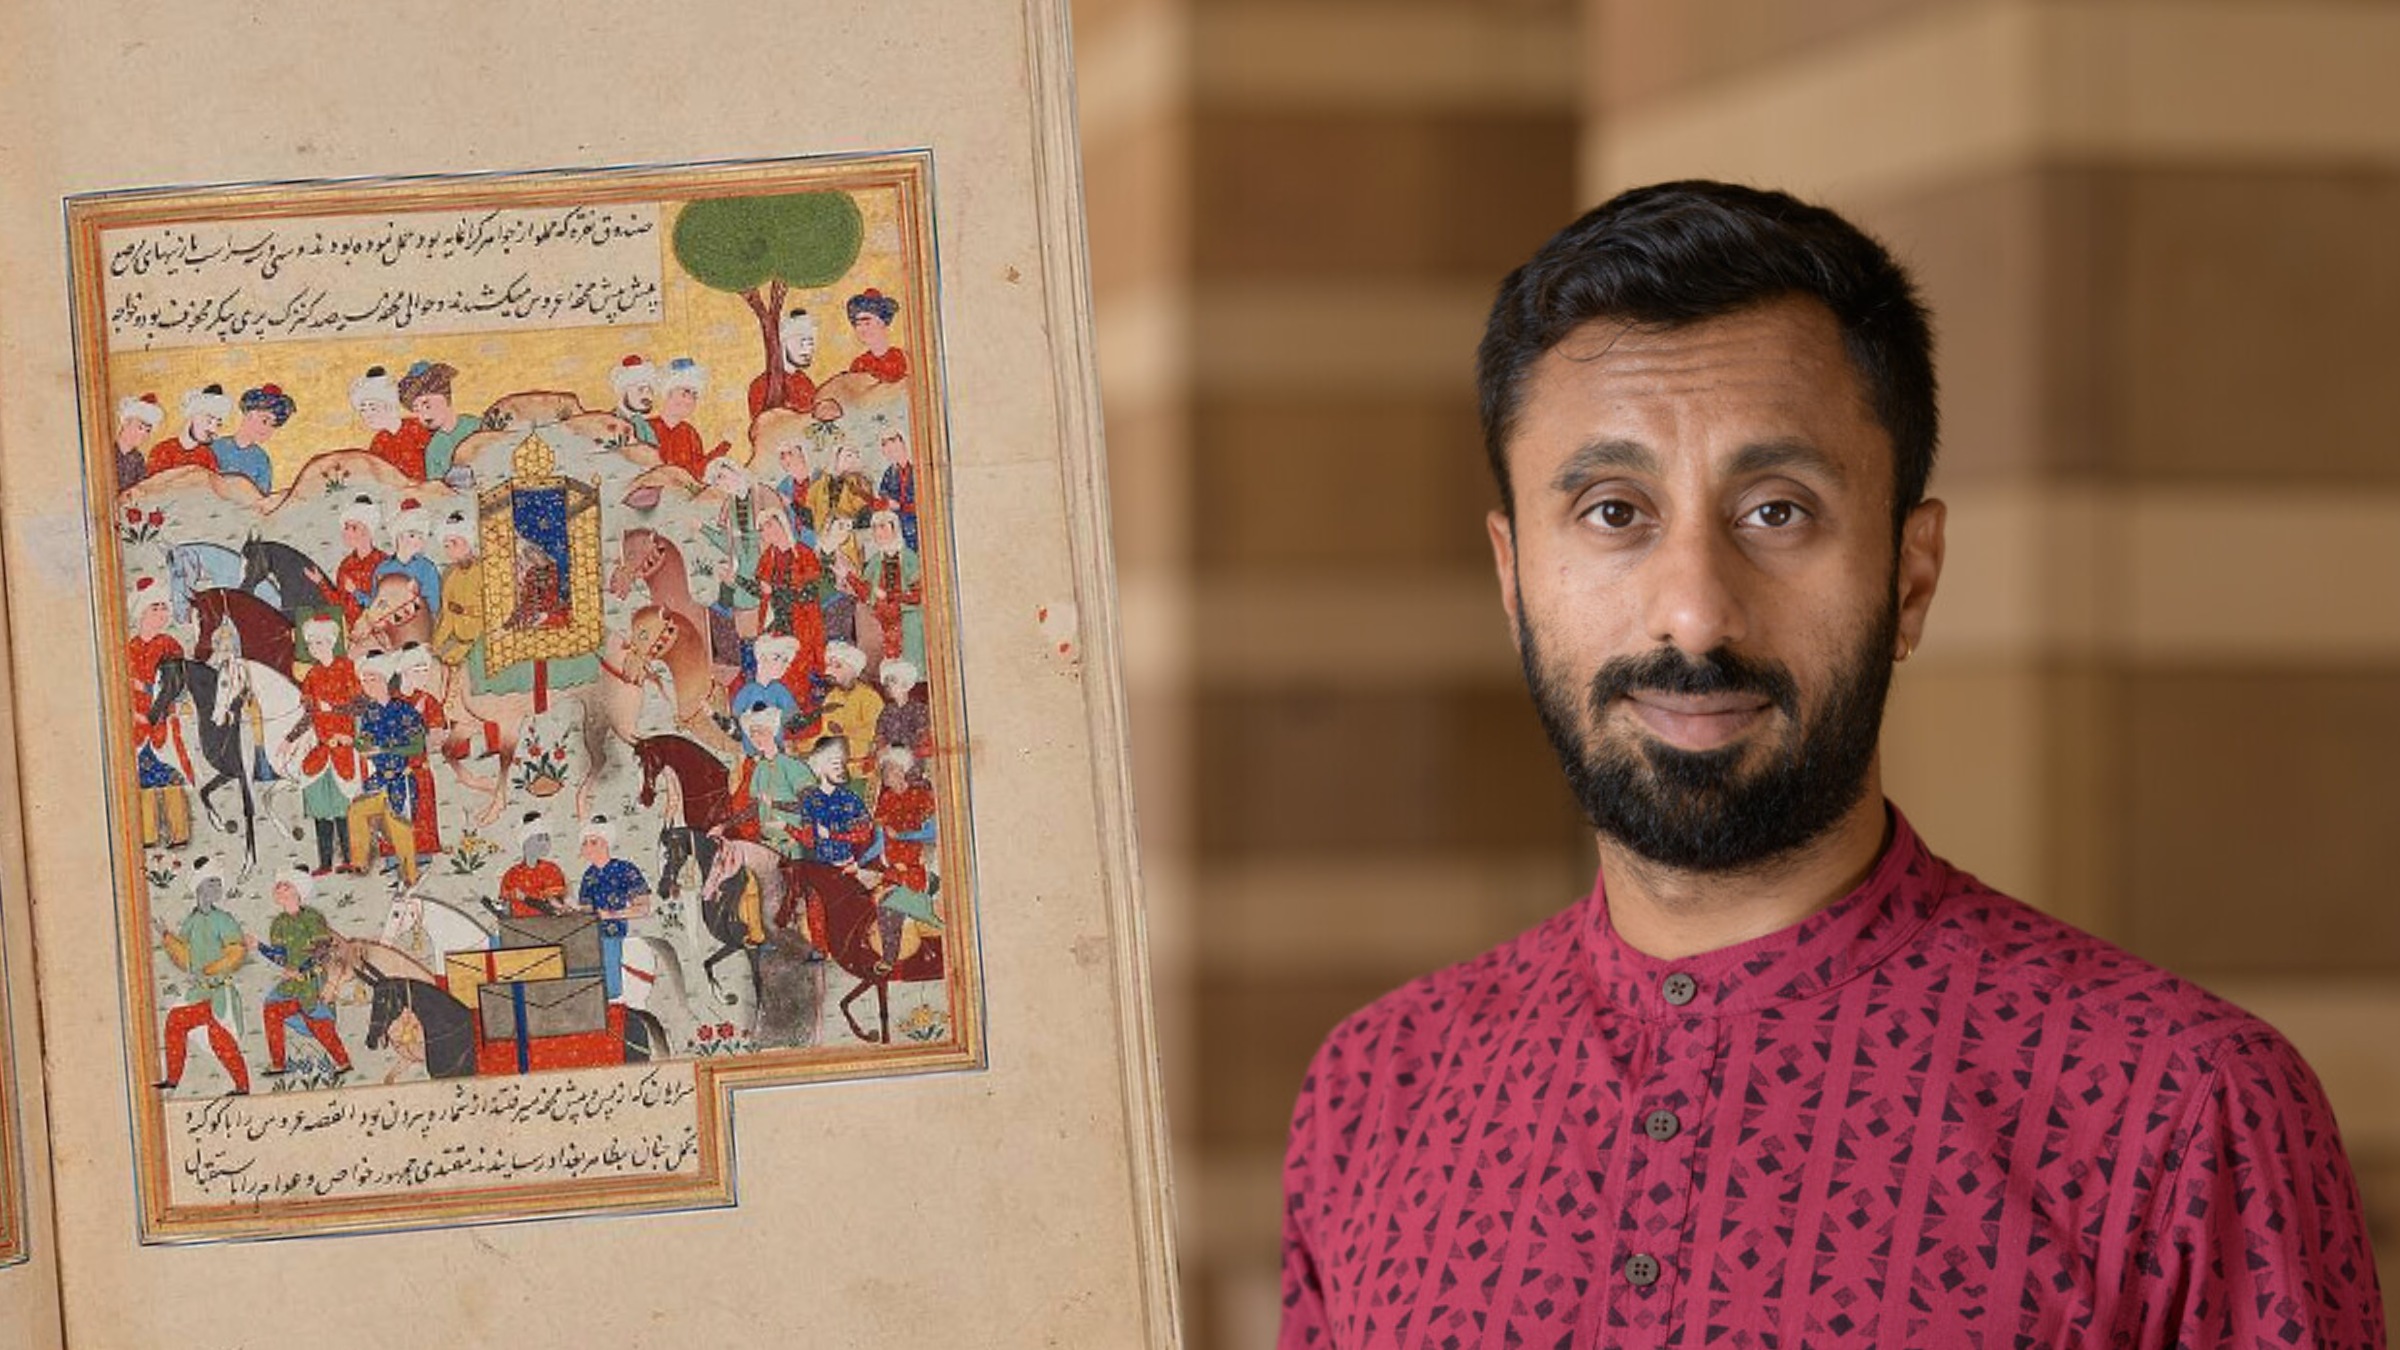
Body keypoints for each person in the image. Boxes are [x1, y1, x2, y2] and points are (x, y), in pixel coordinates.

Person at [1275, 182, 2386, 1347]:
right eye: (1612, 512)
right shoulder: (1376, 1094)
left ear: (1911, 575)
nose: (1696, 615)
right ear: (1513, 581)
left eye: (1777, 512)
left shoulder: (2182, 1112)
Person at [152, 859, 249, 1094]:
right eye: (211, 882)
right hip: (200, 993)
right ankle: (173, 1079)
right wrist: (166, 936)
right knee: (176, 1021)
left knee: (221, 1038)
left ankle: (243, 1086)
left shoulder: (223, 919)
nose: (217, 887)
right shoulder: (192, 921)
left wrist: (213, 968)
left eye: (219, 882)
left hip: (219, 992)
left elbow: (236, 951)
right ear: (198, 888)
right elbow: (186, 958)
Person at [253, 871, 353, 1081]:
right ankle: (278, 1064)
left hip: (313, 981)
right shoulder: (278, 923)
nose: (280, 889)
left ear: (298, 891)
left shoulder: (313, 917)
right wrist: (260, 947)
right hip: (292, 984)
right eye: (278, 886)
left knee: (319, 1022)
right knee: (272, 1009)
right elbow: (280, 956)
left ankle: (343, 1061)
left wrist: (301, 969)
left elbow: (322, 950)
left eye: (285, 885)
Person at [127, 577, 195, 849]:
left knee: (170, 777)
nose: (163, 613)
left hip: (161, 723)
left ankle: (179, 833)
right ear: (142, 612)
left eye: (164, 607)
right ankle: (148, 834)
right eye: (155, 607)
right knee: (142, 780)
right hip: (134, 727)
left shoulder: (169, 645)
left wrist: (152, 714)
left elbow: (172, 684)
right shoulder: (128, 647)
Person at [348, 651, 422, 886]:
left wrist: (383, 749)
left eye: (372, 678)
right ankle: (360, 861)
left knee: (400, 826)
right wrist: (363, 746)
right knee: (356, 811)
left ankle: (410, 874)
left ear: (384, 679)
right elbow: (362, 741)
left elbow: (417, 745)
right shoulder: (369, 713)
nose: (367, 684)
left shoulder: (404, 710)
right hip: (378, 780)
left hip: (400, 780)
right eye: (364, 680)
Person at [574, 816, 652, 1003]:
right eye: (585, 843)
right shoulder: (588, 876)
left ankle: (612, 997)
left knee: (610, 978)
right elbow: (586, 911)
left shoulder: (625, 869)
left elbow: (643, 908)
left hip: (615, 934)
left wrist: (612, 915)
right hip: (591, 936)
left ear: (606, 843)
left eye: (594, 842)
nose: (588, 847)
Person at [647, 357, 729, 478]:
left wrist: (723, 447)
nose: (690, 400)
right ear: (669, 394)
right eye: (685, 393)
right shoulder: (645, 427)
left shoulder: (690, 433)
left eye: (694, 396)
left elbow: (698, 472)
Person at [400, 361, 477, 481]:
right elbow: (438, 490)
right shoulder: (433, 449)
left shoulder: (477, 426)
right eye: (417, 410)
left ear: (446, 398)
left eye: (427, 405)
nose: (424, 415)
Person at [210, 384, 292, 494]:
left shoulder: (261, 459)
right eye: (264, 421)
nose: (268, 430)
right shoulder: (216, 447)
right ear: (249, 414)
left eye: (273, 426)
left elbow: (261, 498)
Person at [354, 366, 429, 479]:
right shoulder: (379, 441)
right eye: (363, 410)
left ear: (389, 406)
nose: (367, 415)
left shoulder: (417, 427)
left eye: (372, 408)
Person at [747, 307, 821, 417]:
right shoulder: (761, 385)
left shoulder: (805, 382)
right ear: (783, 342)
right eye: (801, 342)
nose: (807, 350)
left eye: (810, 343)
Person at [149, 384, 230, 477]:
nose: (213, 430)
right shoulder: (162, 451)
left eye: (218, 424)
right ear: (192, 416)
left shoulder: (208, 456)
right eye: (209, 421)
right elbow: (151, 487)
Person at [499, 813, 568, 918]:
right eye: (540, 838)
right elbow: (504, 909)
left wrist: (525, 898)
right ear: (525, 841)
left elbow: (556, 906)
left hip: (549, 928)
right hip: (517, 929)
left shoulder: (551, 870)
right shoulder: (511, 874)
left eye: (547, 838)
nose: (545, 843)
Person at [844, 288, 908, 384]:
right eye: (858, 324)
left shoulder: (901, 357)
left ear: (882, 322)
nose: (862, 329)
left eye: (867, 323)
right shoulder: (859, 364)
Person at [113, 392, 164, 490]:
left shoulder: (138, 458)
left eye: (148, 431)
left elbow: (142, 487)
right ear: (126, 422)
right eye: (140, 427)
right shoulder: (109, 453)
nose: (144, 434)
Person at [610, 354, 661, 448]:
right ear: (624, 392)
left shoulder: (644, 425)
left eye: (650, 390)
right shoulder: (611, 422)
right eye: (640, 389)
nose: (647, 396)